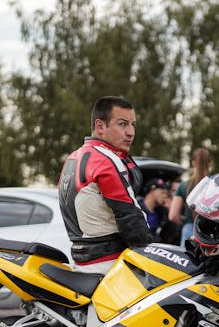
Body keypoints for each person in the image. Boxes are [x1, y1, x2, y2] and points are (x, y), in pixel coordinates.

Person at [58, 96, 152, 274]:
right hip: (110, 265)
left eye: (133, 125)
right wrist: (149, 258)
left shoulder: (72, 158)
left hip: (82, 264)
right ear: (100, 126)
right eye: (123, 124)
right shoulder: (105, 160)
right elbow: (131, 219)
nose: (131, 132)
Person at [169, 147, 212, 247]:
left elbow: (173, 216)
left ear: (193, 163)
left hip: (189, 230)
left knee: (186, 261)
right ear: (210, 163)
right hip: (210, 233)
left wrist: (185, 222)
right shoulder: (215, 184)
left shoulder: (184, 185)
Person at [139, 177, 171, 242]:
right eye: (163, 192)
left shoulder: (161, 212)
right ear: (152, 191)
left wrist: (170, 211)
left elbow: (168, 236)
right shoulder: (137, 208)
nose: (165, 196)